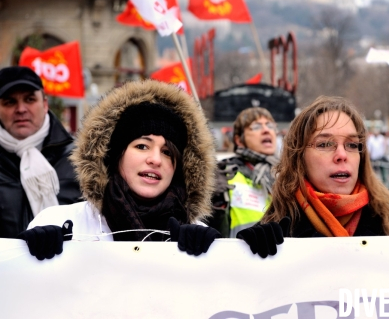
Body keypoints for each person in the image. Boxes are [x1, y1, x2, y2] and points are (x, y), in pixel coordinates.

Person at [19, 80, 239, 260]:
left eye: (167, 152)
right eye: (142, 146)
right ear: (116, 156)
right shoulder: (62, 223)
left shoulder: (197, 236)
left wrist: (245, 254)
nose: (155, 159)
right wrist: (29, 259)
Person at [258, 96, 389, 255]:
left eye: (352, 145)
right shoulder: (275, 235)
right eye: (325, 144)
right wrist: (242, 258)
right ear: (298, 157)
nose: (342, 155)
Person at [0, 66, 81, 238]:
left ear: (45, 104)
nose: (21, 109)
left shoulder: (80, 159)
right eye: (10, 102)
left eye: (29, 99)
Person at [208, 107, 280, 238]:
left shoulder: (286, 176)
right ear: (239, 141)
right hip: (238, 255)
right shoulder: (225, 173)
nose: (266, 130)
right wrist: (215, 203)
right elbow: (210, 227)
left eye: (270, 125)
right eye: (256, 127)